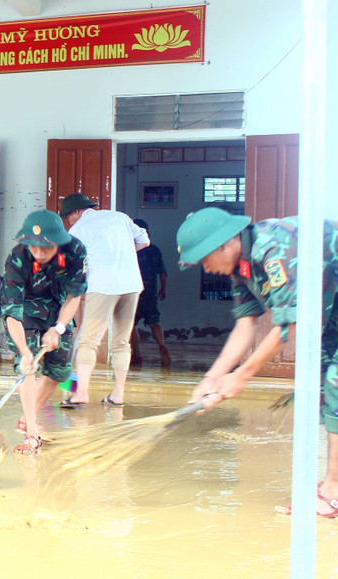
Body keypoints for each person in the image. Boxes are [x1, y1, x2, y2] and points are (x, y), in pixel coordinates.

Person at [178, 207, 338, 516]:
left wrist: (242, 375)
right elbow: (246, 322)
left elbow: (291, 323)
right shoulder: (241, 266)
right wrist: (213, 378)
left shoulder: (272, 248)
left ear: (226, 243)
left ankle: (333, 491)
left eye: (204, 259)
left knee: (335, 384)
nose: (206, 268)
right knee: (328, 387)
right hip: (332, 314)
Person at [0, 210, 87, 454]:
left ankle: (27, 418)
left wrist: (58, 328)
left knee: (59, 371)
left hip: (59, 306)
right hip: (25, 308)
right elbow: (12, 312)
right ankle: (31, 435)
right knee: (26, 366)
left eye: (45, 247)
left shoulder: (75, 251)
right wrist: (25, 352)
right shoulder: (17, 257)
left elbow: (74, 296)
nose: (38, 252)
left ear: (58, 241)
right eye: (33, 246)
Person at [59, 193, 149, 407]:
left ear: (76, 211)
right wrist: (120, 254)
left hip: (103, 286)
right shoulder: (120, 217)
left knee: (88, 341)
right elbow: (144, 241)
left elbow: (70, 262)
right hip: (131, 285)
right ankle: (117, 395)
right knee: (121, 342)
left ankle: (80, 393)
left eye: (68, 216)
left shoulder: (78, 229)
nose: (68, 221)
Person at [130, 218, 170, 367]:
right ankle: (162, 345)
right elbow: (162, 272)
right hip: (150, 293)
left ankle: (137, 355)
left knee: (131, 325)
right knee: (154, 323)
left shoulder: (131, 249)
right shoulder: (155, 250)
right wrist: (163, 289)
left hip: (134, 292)